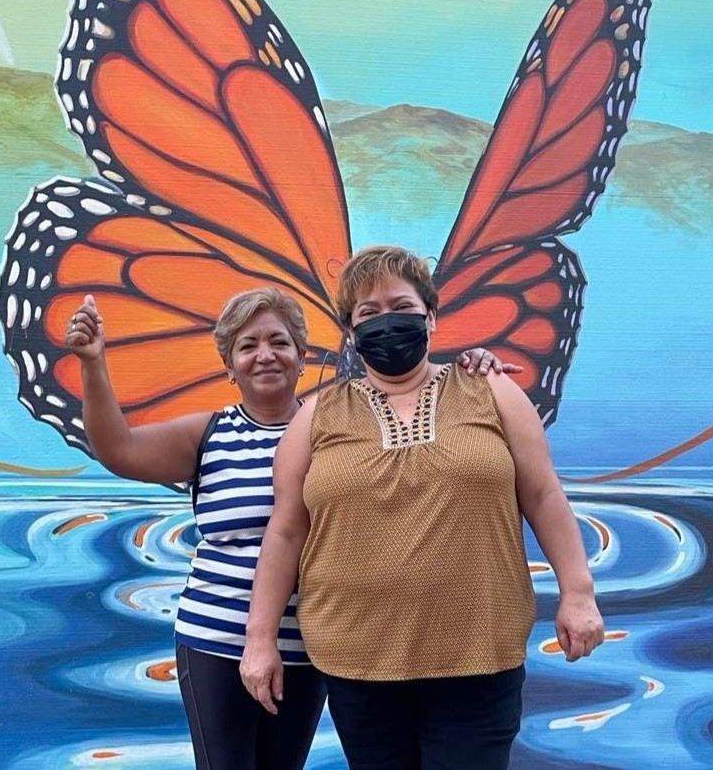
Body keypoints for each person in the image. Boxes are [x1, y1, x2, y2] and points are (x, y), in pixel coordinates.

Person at [65, 286, 516, 770]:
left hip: (312, 643)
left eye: (279, 342)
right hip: (219, 640)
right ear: (229, 364)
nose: (265, 355)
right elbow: (119, 449)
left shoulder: (345, 426)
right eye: (248, 345)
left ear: (302, 357)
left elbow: (415, 437)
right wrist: (93, 364)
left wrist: (473, 362)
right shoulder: (209, 434)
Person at [240, 248, 605, 770]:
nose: (386, 321)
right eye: (367, 313)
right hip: (356, 658)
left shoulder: (492, 390)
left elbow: (544, 495)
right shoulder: (317, 416)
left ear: (430, 316)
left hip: (479, 652)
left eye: (401, 306)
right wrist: (260, 640)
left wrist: (578, 593)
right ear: (349, 329)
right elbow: (285, 533)